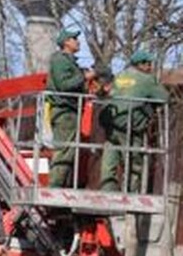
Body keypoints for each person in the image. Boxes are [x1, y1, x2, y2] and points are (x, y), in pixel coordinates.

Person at [99, 50, 168, 193]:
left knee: (110, 158)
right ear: (140, 64)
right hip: (129, 125)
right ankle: (130, 193)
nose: (150, 67)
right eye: (148, 63)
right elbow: (164, 98)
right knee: (133, 162)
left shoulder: (120, 76)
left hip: (110, 123)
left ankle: (107, 192)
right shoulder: (146, 79)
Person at [46, 28, 95, 187]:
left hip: (70, 111)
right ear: (66, 42)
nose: (77, 41)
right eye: (74, 38)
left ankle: (59, 186)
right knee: (64, 151)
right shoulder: (60, 60)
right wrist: (83, 77)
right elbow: (63, 84)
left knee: (69, 151)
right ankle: (54, 188)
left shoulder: (69, 61)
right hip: (64, 111)